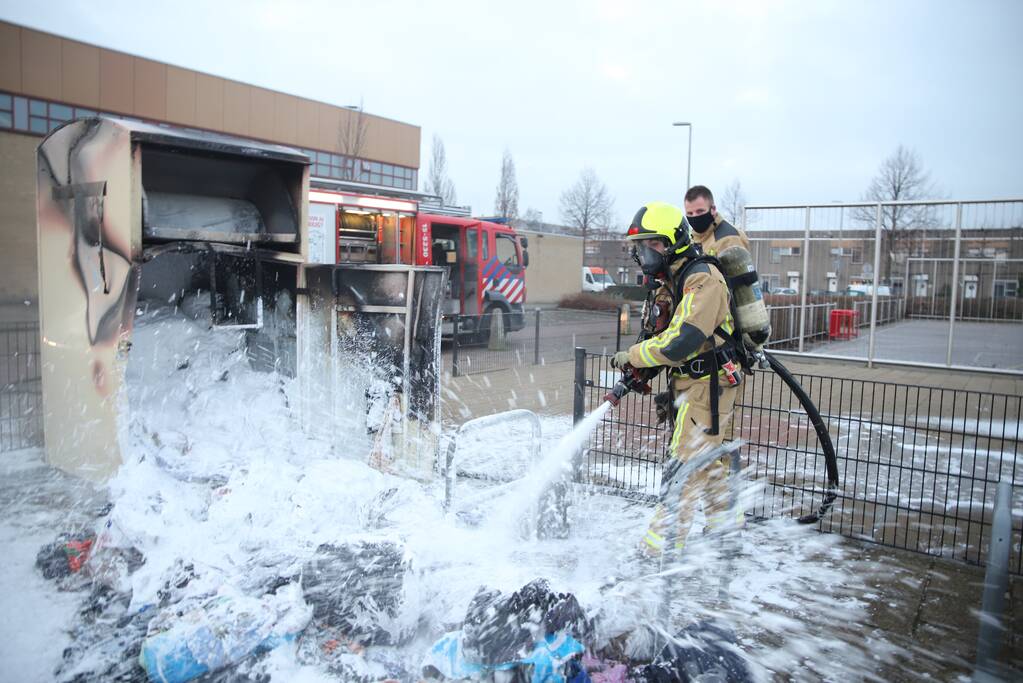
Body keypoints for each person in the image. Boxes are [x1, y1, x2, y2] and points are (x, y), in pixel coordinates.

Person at [609, 202, 743, 557]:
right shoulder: (670, 280)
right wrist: (640, 370)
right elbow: (659, 334)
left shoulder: (703, 279)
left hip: (709, 385)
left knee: (684, 466)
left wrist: (634, 356)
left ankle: (659, 551)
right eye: (639, 247)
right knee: (706, 460)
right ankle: (726, 529)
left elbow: (683, 340)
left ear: (672, 242)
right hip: (688, 384)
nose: (643, 254)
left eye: (649, 245)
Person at [683, 185, 752, 258]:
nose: (694, 216)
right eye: (690, 213)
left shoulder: (730, 239)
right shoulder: (692, 240)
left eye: (700, 211)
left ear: (713, 209)